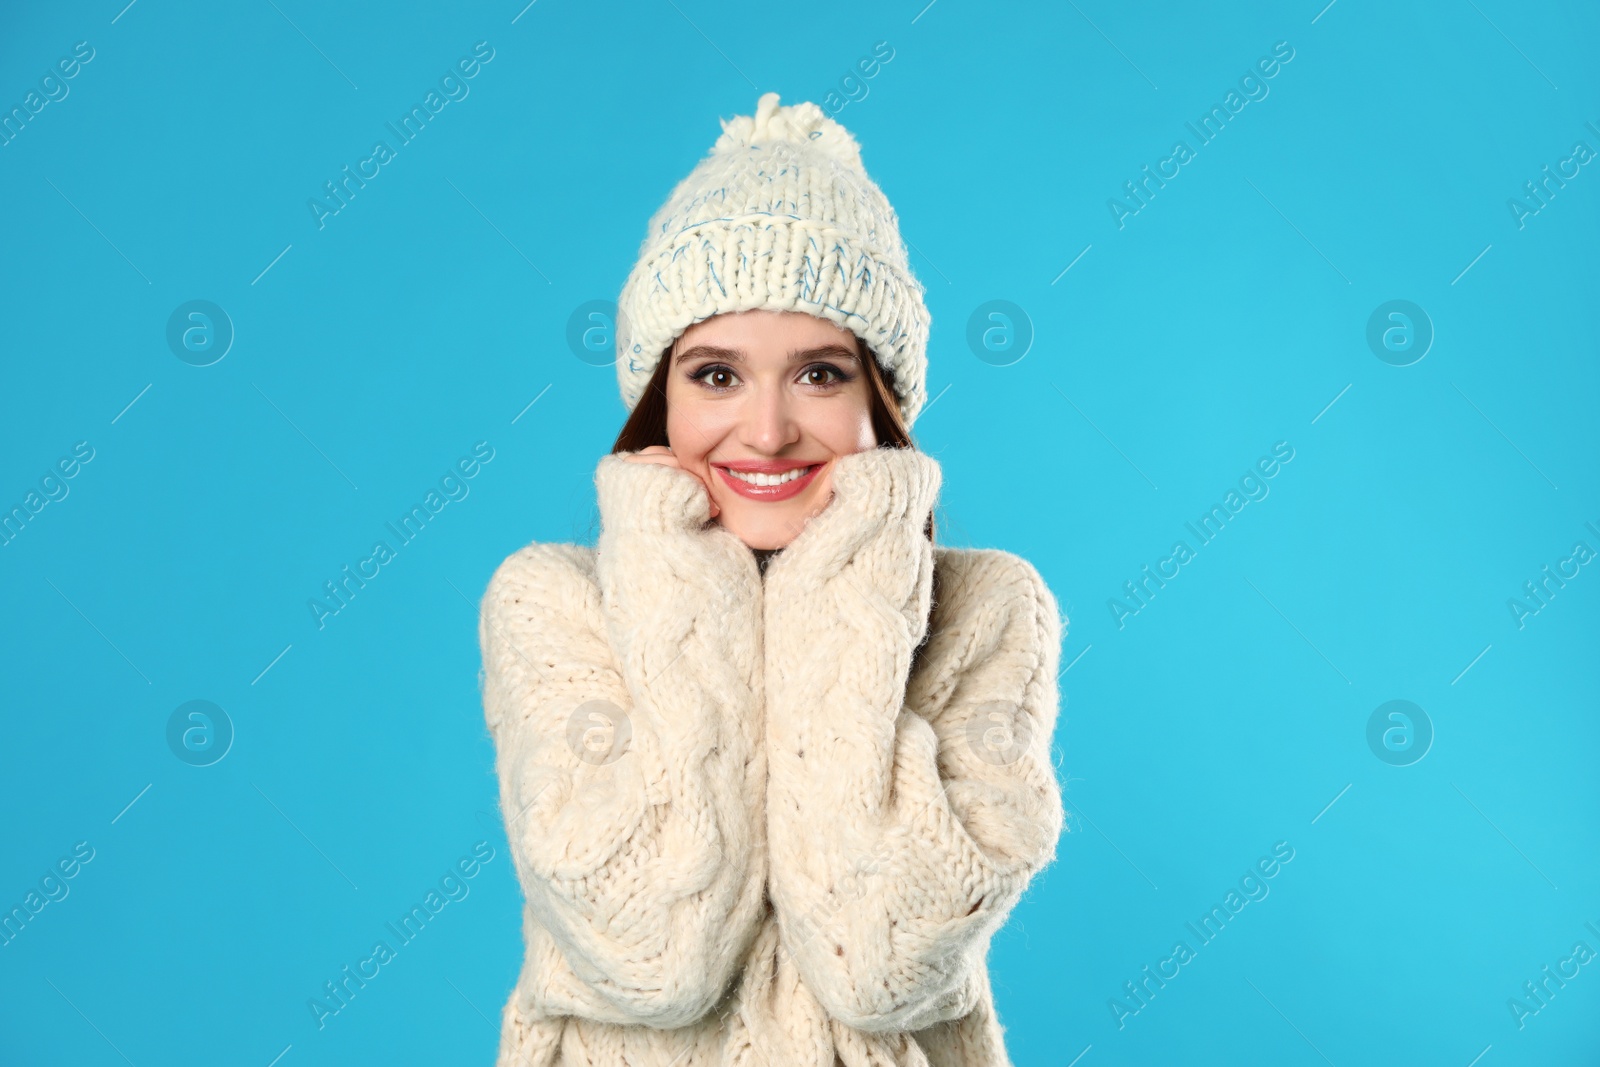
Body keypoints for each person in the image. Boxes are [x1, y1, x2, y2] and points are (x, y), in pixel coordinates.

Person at [478, 91, 1066, 1067]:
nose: (765, 429)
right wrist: (675, 564)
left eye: (820, 374)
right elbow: (652, 955)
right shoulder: (551, 602)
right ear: (658, 394)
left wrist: (851, 568)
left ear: (882, 398)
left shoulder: (990, 609)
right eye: (715, 374)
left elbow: (879, 966)